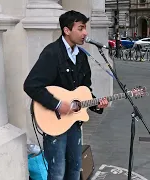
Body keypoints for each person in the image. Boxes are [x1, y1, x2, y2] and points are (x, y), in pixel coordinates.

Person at [23, 10, 109, 180]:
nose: (85, 33)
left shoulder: (82, 57)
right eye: (81, 28)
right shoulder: (52, 53)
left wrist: (96, 104)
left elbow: (84, 90)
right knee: (57, 171)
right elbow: (31, 85)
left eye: (85, 28)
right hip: (54, 122)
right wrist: (56, 104)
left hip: (74, 122)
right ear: (67, 30)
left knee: (75, 168)